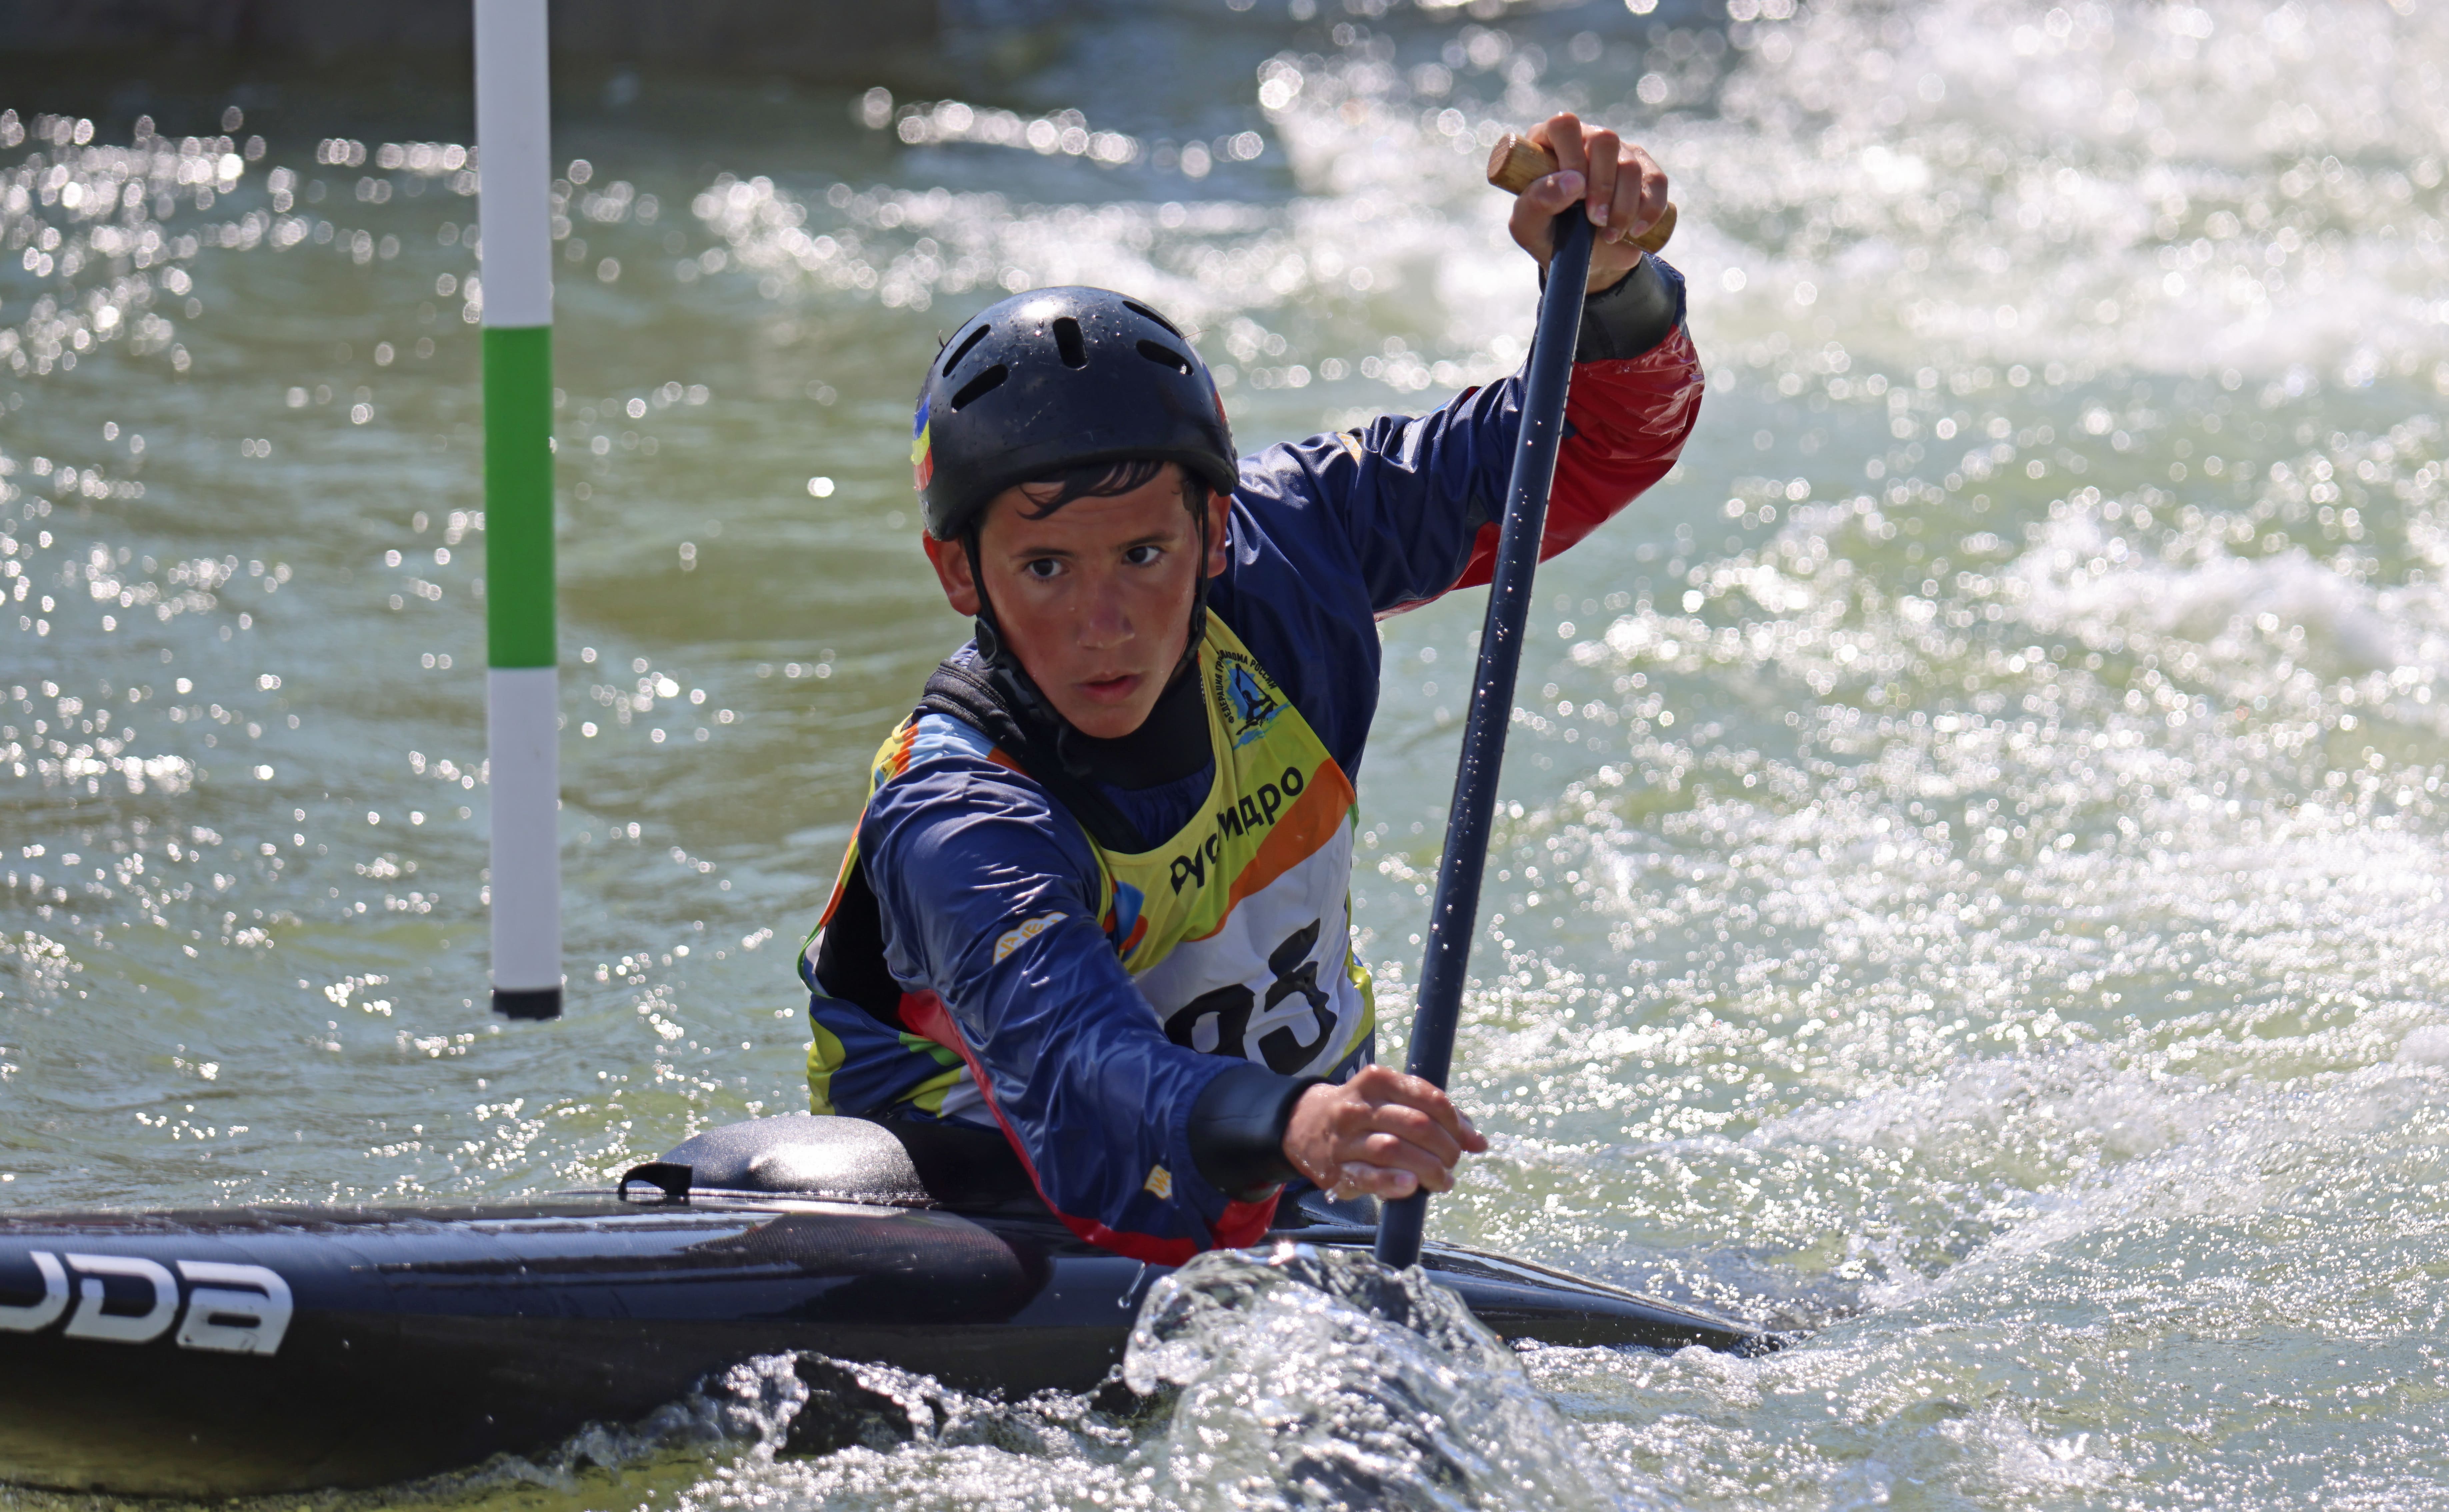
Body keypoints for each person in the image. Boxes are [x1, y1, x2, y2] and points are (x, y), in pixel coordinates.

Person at [798, 113, 1703, 1264]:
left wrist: (1613, 288)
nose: (1106, 626)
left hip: (1292, 1173)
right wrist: (1297, 1124)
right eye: (1045, 569)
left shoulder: (1296, 548)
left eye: (1144, 554)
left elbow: (1583, 444)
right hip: (993, 1205)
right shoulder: (958, 818)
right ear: (958, 574)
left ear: (1217, 529)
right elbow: (1082, 1071)